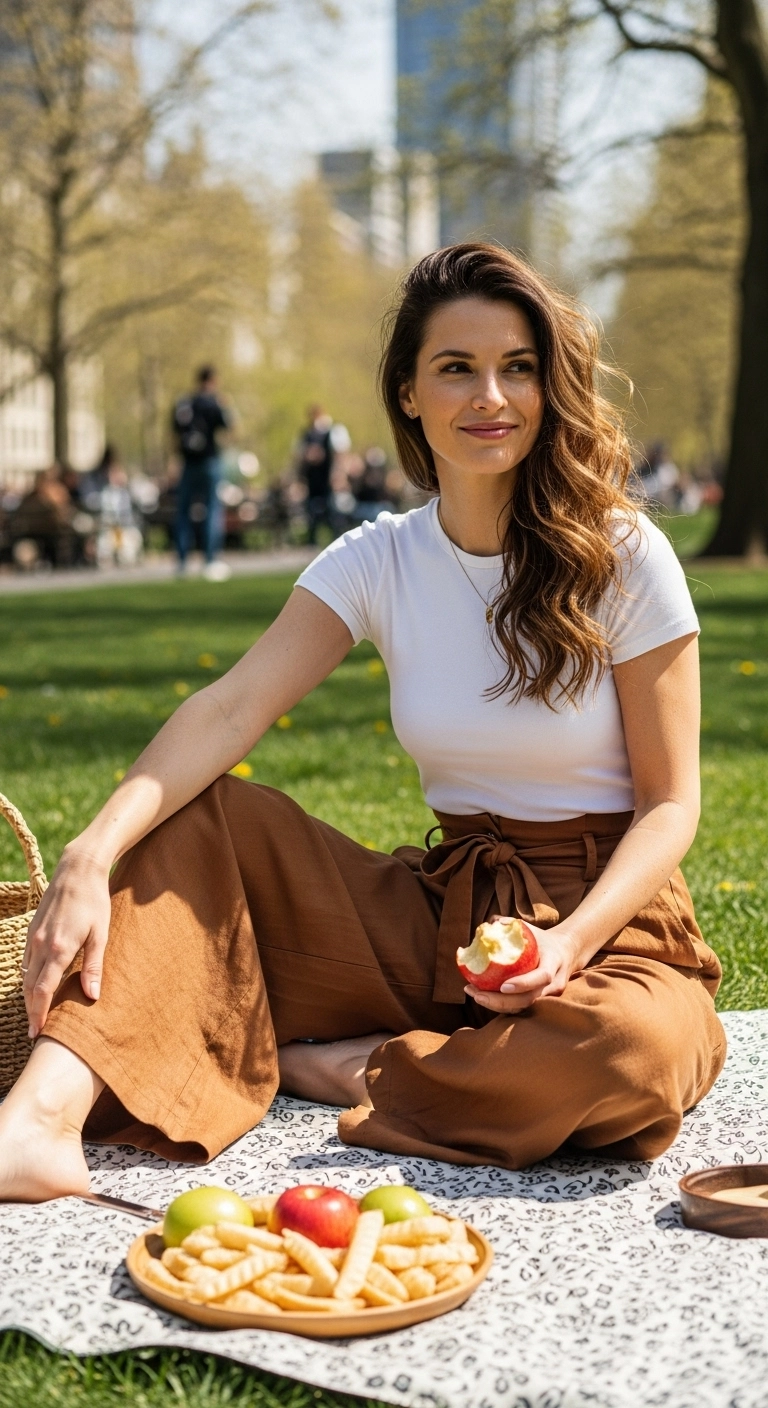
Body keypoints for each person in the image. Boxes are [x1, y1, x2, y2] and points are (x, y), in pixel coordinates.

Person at [0, 243, 725, 1202]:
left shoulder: (627, 556)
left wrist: (569, 943)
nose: (491, 397)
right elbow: (229, 707)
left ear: (550, 389)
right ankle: (37, 1124)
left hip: (613, 925)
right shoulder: (377, 559)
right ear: (409, 394)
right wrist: (93, 852)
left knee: (633, 1056)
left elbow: (671, 805)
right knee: (202, 822)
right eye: (457, 368)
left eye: (517, 368)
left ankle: (346, 1067)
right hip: (445, 914)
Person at [172, 366, 232, 580]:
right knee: (212, 510)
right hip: (209, 461)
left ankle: (181, 562)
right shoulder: (213, 402)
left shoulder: (184, 403)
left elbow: (175, 433)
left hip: (188, 464)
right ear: (213, 380)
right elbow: (228, 426)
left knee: (183, 512)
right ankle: (210, 560)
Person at [296, 405, 349, 544]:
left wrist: (338, 474)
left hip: (328, 477)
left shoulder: (334, 431)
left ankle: (336, 537)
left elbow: (340, 454)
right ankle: (312, 540)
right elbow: (299, 455)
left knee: (332, 509)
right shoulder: (306, 434)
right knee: (312, 510)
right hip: (313, 478)